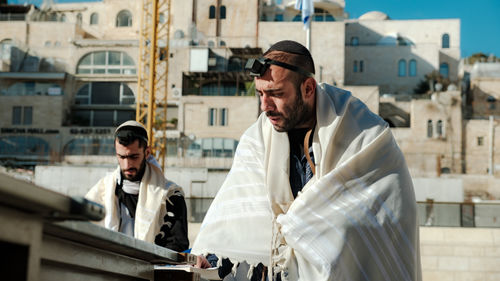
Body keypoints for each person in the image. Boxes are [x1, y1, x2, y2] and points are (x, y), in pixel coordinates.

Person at [192, 40, 421, 281]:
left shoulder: (365, 136)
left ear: (308, 89)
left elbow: (373, 227)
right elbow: (237, 221)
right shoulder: (257, 139)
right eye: (260, 93)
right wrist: (210, 258)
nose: (265, 106)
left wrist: (303, 227)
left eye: (276, 94)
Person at [86, 120, 189, 252]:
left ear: (147, 153)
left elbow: (177, 249)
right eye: (121, 157)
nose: (127, 165)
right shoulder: (102, 191)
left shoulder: (170, 196)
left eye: (133, 157)